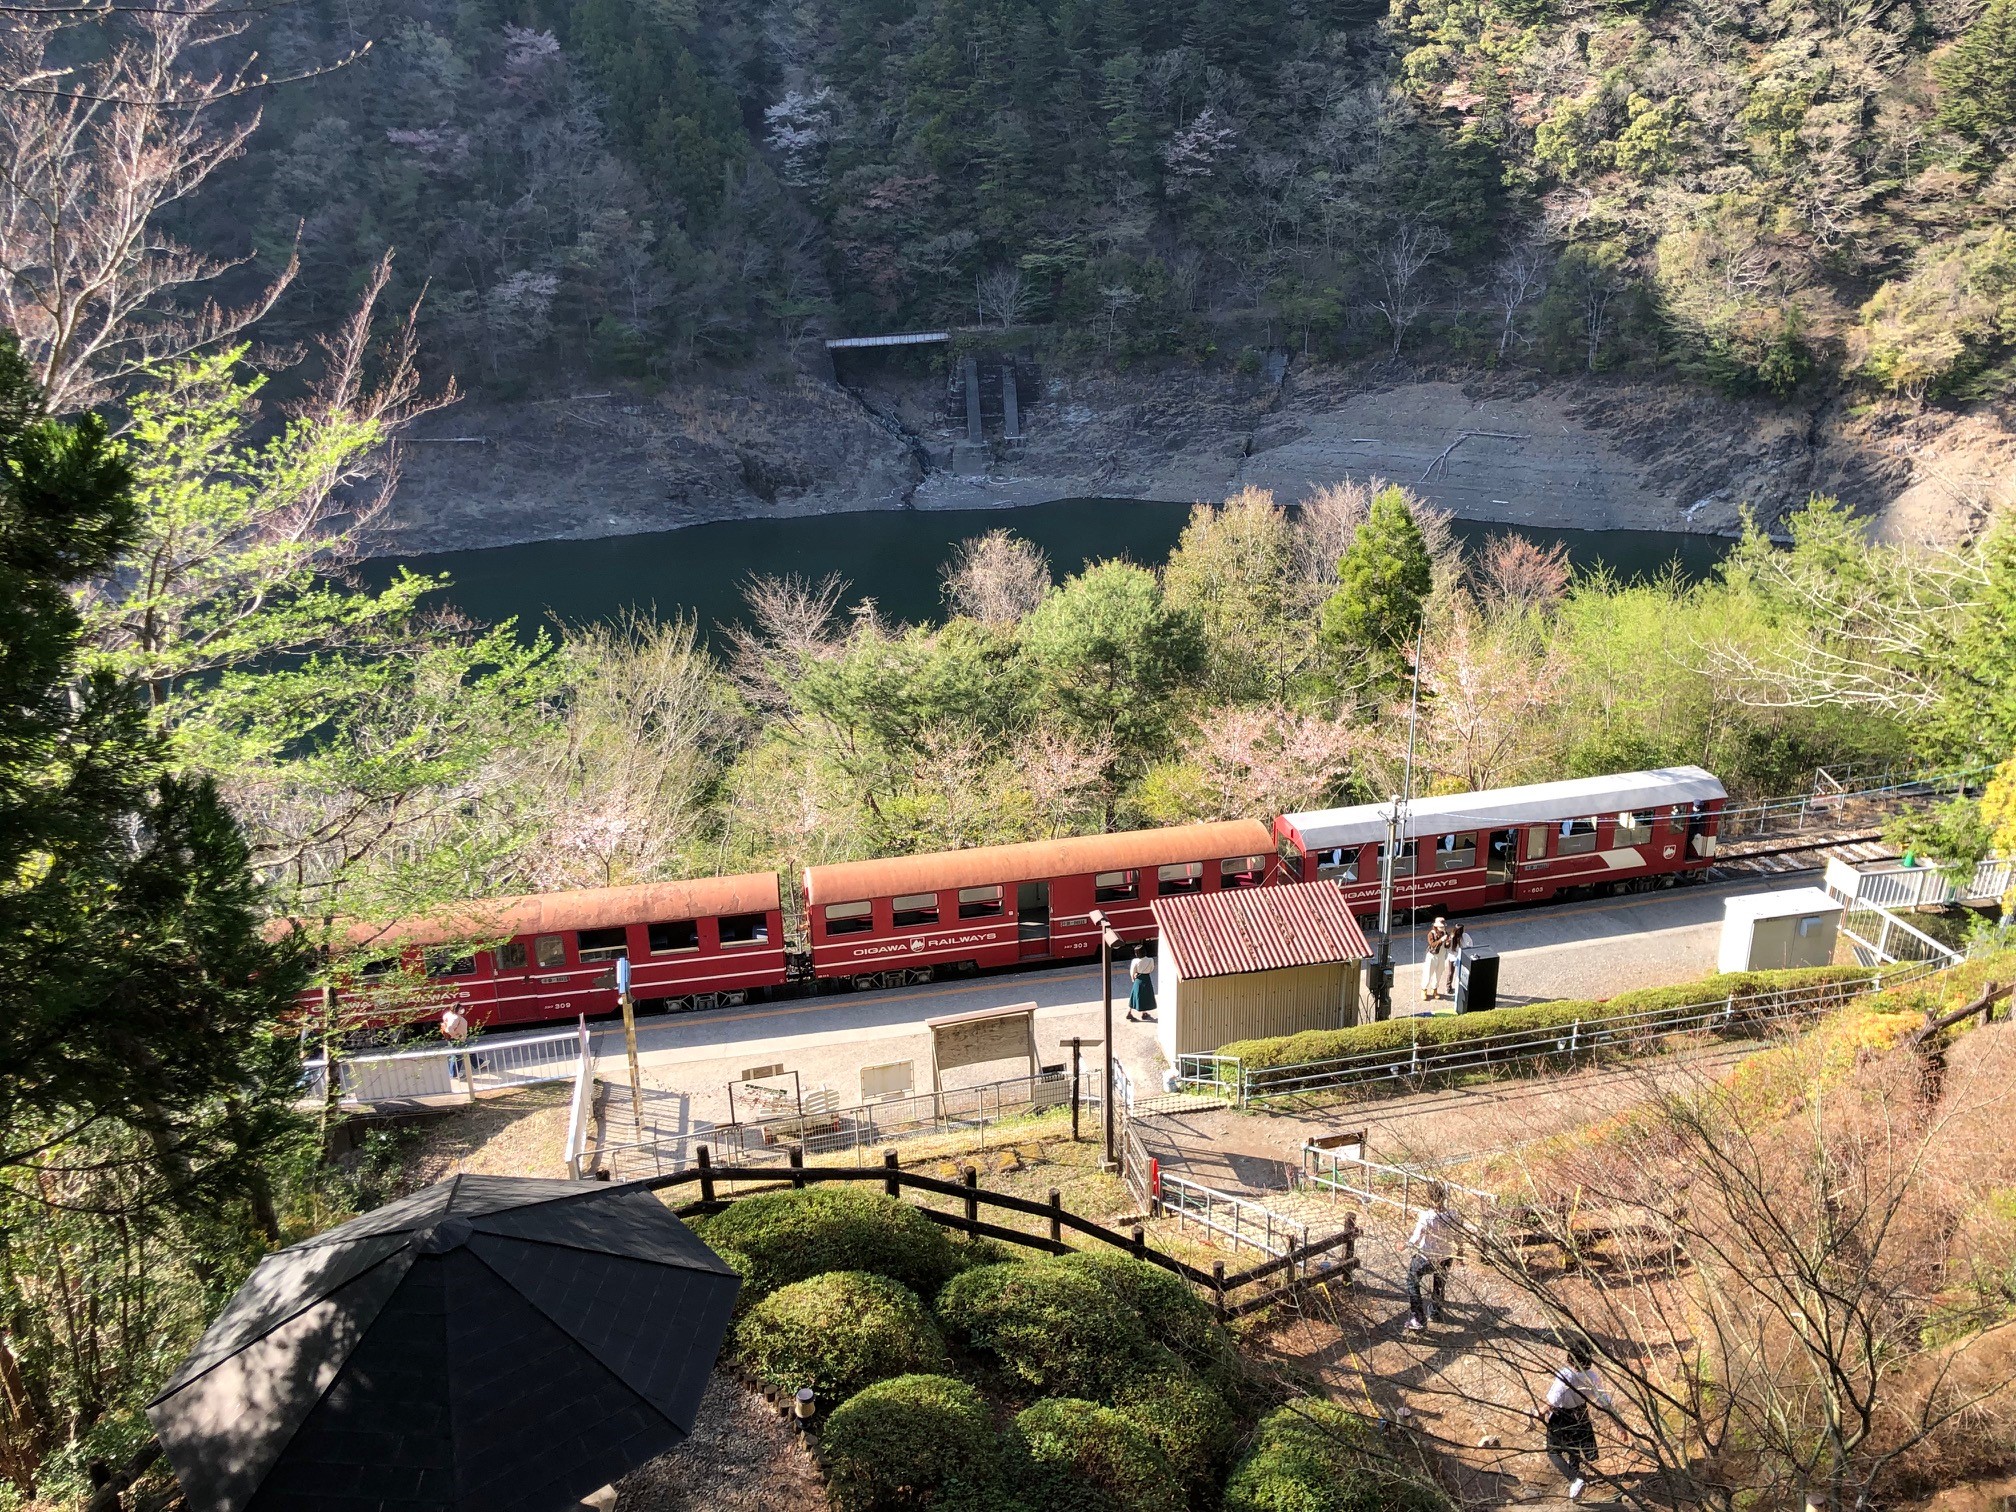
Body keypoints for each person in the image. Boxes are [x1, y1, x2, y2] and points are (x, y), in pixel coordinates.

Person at [1537, 1341, 1613, 1502]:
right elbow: (1604, 1400)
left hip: (1562, 1416)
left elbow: (1553, 1400)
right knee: (1574, 1447)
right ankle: (1575, 1483)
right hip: (1580, 1413)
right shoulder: (1591, 1377)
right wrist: (1619, 1425)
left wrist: (1539, 1413)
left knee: (1553, 1451)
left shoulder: (1565, 1375)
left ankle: (1574, 1479)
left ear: (1570, 1359)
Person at [1402, 1184, 1458, 1331]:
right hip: (1445, 1255)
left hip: (1427, 1256)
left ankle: (1418, 1317)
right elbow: (1458, 1237)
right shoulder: (1453, 1215)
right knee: (1439, 1283)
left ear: (1429, 1197)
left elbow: (1416, 1236)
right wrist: (1461, 1255)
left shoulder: (1427, 1216)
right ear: (1444, 1197)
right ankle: (1435, 1312)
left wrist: (1405, 1245)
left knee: (1412, 1281)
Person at [1423, 918, 1453, 1001]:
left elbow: (1447, 946)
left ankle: (1434, 989)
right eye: (1441, 927)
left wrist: (1448, 942)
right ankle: (1424, 989)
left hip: (1442, 956)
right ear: (1436, 927)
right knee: (1428, 973)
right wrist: (1441, 940)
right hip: (1432, 956)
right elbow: (1432, 944)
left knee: (1438, 974)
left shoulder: (1445, 933)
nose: (1442, 929)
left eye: (1443, 927)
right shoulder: (1431, 934)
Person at [1445, 921, 1474, 1000]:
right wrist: (1468, 949)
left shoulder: (1451, 937)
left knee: (1451, 972)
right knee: (1460, 972)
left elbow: (1449, 950)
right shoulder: (1464, 936)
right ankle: (1460, 987)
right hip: (1459, 956)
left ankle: (1449, 987)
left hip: (1453, 957)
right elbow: (1470, 943)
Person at [1126, 945, 1156, 1022]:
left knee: (1134, 996)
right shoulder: (1150, 960)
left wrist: (1133, 978)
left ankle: (1129, 1012)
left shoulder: (1135, 961)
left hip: (1138, 979)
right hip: (1146, 979)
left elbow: (1132, 971)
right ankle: (1144, 1013)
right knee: (1145, 996)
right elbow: (1151, 969)